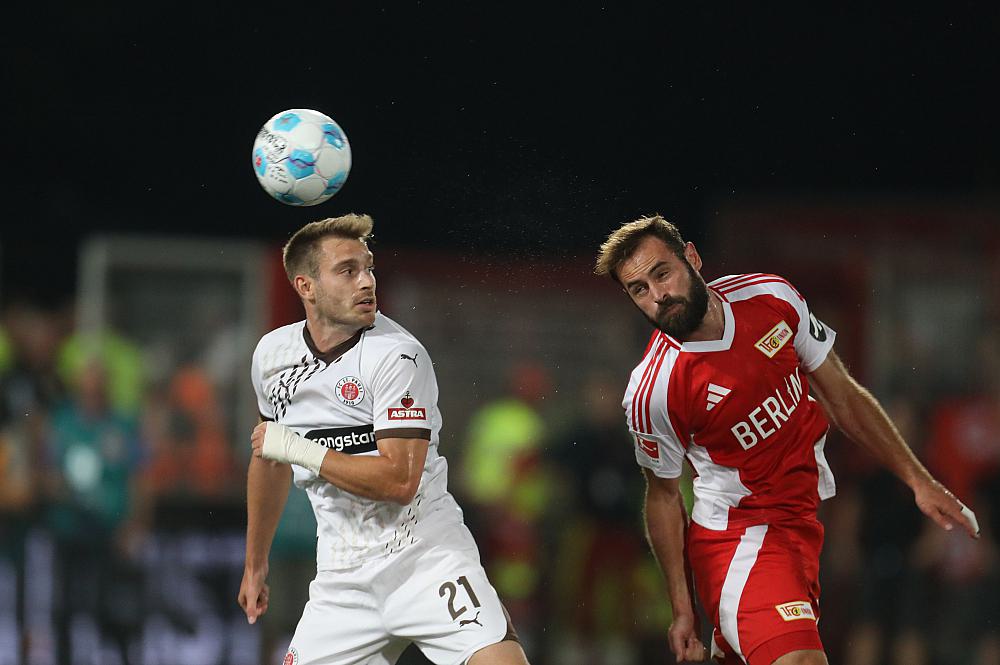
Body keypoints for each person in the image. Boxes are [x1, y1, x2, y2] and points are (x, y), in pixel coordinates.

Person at [593, 215, 980, 665]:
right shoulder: (653, 390)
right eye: (639, 290)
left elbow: (843, 396)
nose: (658, 294)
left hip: (802, 524)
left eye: (662, 273)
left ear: (692, 258)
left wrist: (919, 480)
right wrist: (682, 610)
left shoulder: (769, 295)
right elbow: (662, 497)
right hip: (741, 541)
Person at [238, 214, 529, 665]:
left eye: (369, 268)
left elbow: (398, 481)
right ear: (305, 287)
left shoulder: (397, 355)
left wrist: (300, 449)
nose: (366, 282)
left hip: (425, 558)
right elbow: (269, 459)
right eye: (347, 271)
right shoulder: (273, 357)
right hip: (342, 578)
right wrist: (256, 563)